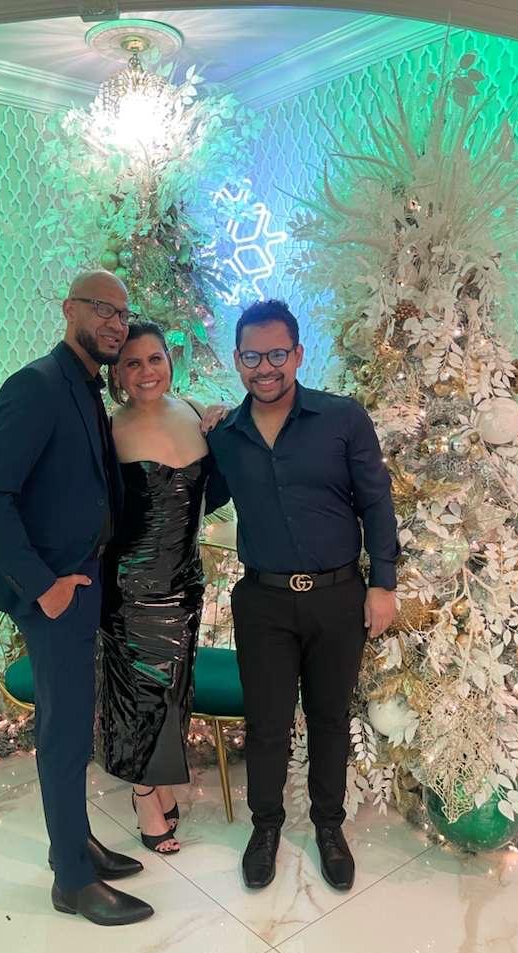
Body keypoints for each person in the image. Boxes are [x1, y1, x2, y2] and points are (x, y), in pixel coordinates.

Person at [0, 270, 154, 927]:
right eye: (102, 309)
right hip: (55, 591)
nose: (115, 323)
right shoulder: (37, 386)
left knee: (76, 724)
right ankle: (72, 881)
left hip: (84, 583)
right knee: (66, 731)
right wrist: (43, 586)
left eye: (122, 314)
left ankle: (75, 843)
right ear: (70, 308)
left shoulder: (85, 386)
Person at [207, 299, 399, 893]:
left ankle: (329, 827)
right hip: (262, 601)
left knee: (329, 719)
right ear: (237, 360)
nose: (264, 368)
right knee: (266, 725)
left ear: (297, 354)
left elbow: (376, 501)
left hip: (337, 597)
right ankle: (265, 828)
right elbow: (200, 498)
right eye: (252, 356)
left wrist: (383, 583)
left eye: (276, 354)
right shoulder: (227, 435)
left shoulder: (342, 418)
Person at [99, 321, 229, 855]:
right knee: (141, 695)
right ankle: (144, 795)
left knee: (175, 688)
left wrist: (222, 428)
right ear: (117, 375)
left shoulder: (194, 411)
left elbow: (215, 492)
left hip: (186, 580)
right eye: (132, 363)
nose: (146, 371)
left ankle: (161, 779)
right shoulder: (109, 430)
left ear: (169, 363)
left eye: (154, 359)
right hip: (132, 587)